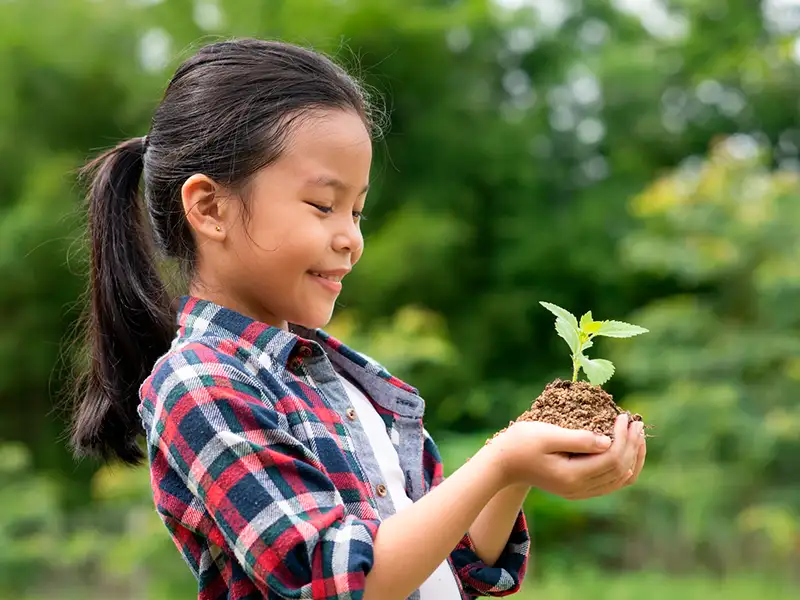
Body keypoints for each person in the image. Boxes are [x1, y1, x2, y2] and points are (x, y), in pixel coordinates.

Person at [69, 38, 646, 600]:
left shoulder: (355, 382)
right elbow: (342, 580)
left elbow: (454, 565)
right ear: (210, 208)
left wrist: (519, 469)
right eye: (323, 206)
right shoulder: (201, 384)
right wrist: (499, 462)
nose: (351, 238)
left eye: (357, 210)